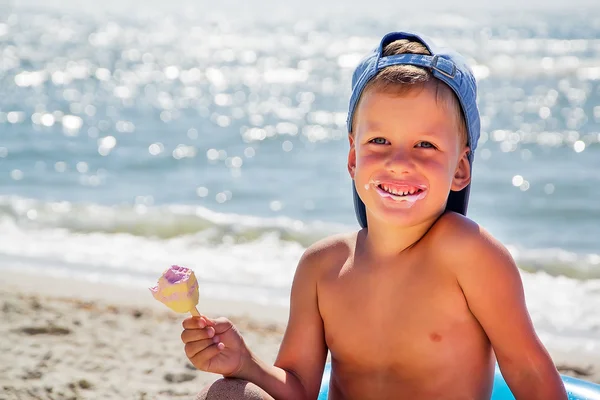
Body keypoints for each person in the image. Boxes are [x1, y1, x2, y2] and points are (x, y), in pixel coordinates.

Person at [180, 31, 568, 400]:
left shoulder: (467, 251)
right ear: (353, 157)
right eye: (379, 140)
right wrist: (245, 362)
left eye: (425, 145)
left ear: (460, 170)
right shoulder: (322, 267)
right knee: (227, 393)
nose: (399, 162)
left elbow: (528, 370)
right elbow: (297, 388)